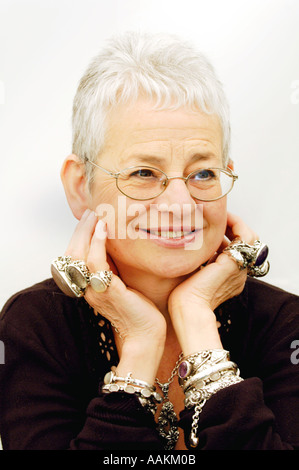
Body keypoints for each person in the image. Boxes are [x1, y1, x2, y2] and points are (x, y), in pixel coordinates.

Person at [0, 31, 298, 451]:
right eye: (143, 173)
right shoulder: (34, 326)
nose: (180, 204)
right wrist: (139, 342)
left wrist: (195, 320)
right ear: (81, 186)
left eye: (202, 173)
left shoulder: (286, 325)